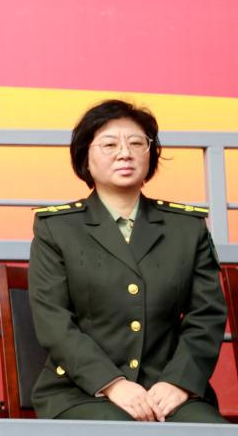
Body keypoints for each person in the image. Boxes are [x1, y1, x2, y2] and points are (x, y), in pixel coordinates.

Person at [28, 99, 228, 423]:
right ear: (85, 157)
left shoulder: (186, 228)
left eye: (136, 143)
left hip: (168, 391)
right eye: (109, 144)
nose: (125, 153)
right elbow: (53, 320)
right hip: (81, 391)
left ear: (151, 154)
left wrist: (179, 382)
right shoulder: (57, 228)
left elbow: (207, 314)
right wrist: (112, 383)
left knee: (209, 430)